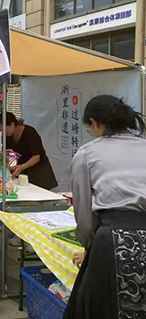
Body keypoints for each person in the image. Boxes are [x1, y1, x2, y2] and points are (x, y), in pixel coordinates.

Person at [64, 95, 146, 319]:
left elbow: (84, 219)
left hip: (112, 240)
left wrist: (89, 249)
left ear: (94, 123)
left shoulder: (87, 154)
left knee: (103, 307)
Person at [0, 112, 57, 190]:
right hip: (22, 172)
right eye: (1, 130)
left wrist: (22, 167)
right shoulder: (6, 136)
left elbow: (36, 157)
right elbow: (7, 154)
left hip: (39, 172)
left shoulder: (30, 133)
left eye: (4, 129)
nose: (3, 132)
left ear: (12, 124)